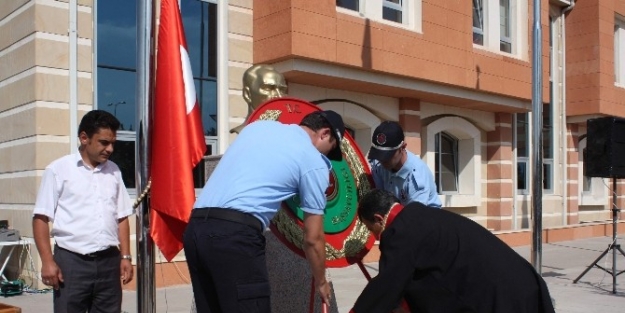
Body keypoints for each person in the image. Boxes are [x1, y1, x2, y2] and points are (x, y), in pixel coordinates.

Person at [184, 110, 346, 313]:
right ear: (324, 133)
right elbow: (313, 238)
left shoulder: (258, 127)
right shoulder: (313, 161)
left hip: (196, 230)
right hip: (235, 237)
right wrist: (322, 282)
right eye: (329, 149)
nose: (325, 155)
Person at [349, 189, 555, 313]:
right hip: (523, 281)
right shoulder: (420, 216)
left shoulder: (399, 232)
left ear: (378, 218)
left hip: (501, 298)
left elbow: (388, 285)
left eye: (370, 228)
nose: (374, 236)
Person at [32, 110, 134, 313]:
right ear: (84, 138)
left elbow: (121, 217)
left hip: (108, 262)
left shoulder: (113, 171)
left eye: (113, 143)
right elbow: (41, 218)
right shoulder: (59, 170)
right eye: (104, 142)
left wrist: (125, 257)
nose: (110, 149)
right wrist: (47, 261)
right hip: (72, 263)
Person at [368, 121, 441, 208]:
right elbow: (377, 197)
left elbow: (414, 217)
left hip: (424, 217)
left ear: (402, 147)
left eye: (387, 155)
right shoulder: (379, 165)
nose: (382, 160)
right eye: (379, 154)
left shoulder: (416, 177)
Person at [230, 64, 288, 134]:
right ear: (247, 94)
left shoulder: (289, 132)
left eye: (282, 90)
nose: (279, 96)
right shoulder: (244, 133)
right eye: (268, 88)